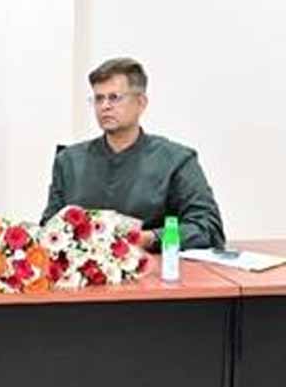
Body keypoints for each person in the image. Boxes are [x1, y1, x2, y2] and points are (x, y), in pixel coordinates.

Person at [41, 57, 225, 250]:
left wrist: (150, 238)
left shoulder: (177, 160)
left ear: (141, 103)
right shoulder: (69, 161)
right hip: (84, 267)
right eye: (99, 98)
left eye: (114, 97)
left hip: (152, 264)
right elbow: (49, 228)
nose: (105, 106)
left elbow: (208, 228)